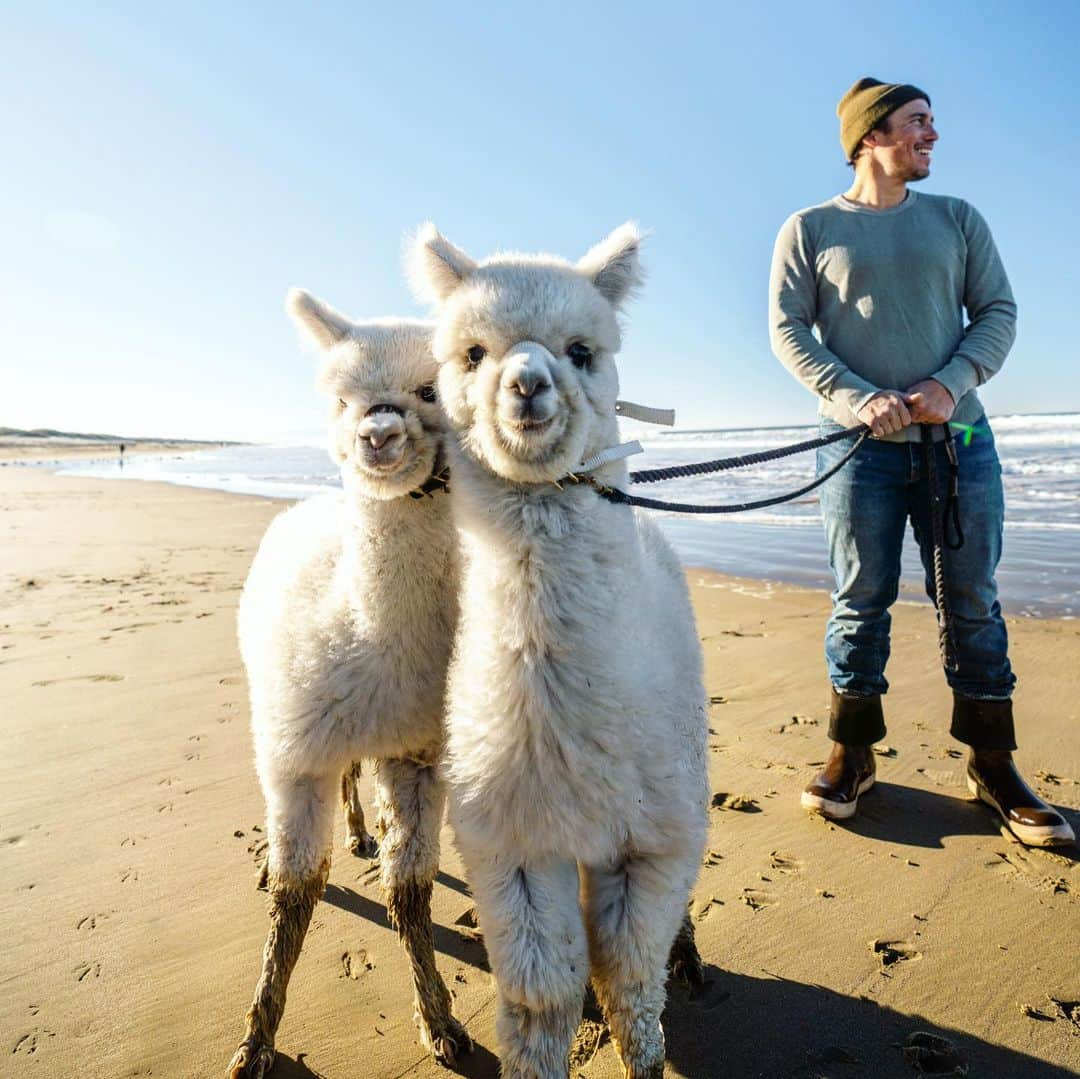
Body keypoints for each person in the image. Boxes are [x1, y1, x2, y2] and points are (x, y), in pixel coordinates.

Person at [768, 77, 1073, 847]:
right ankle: (853, 753)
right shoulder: (808, 228)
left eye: (931, 122)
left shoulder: (957, 219)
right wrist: (855, 396)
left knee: (971, 599)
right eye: (916, 123)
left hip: (960, 442)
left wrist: (950, 383)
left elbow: (998, 311)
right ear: (870, 137)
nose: (932, 135)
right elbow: (789, 330)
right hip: (856, 446)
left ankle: (993, 764)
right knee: (859, 598)